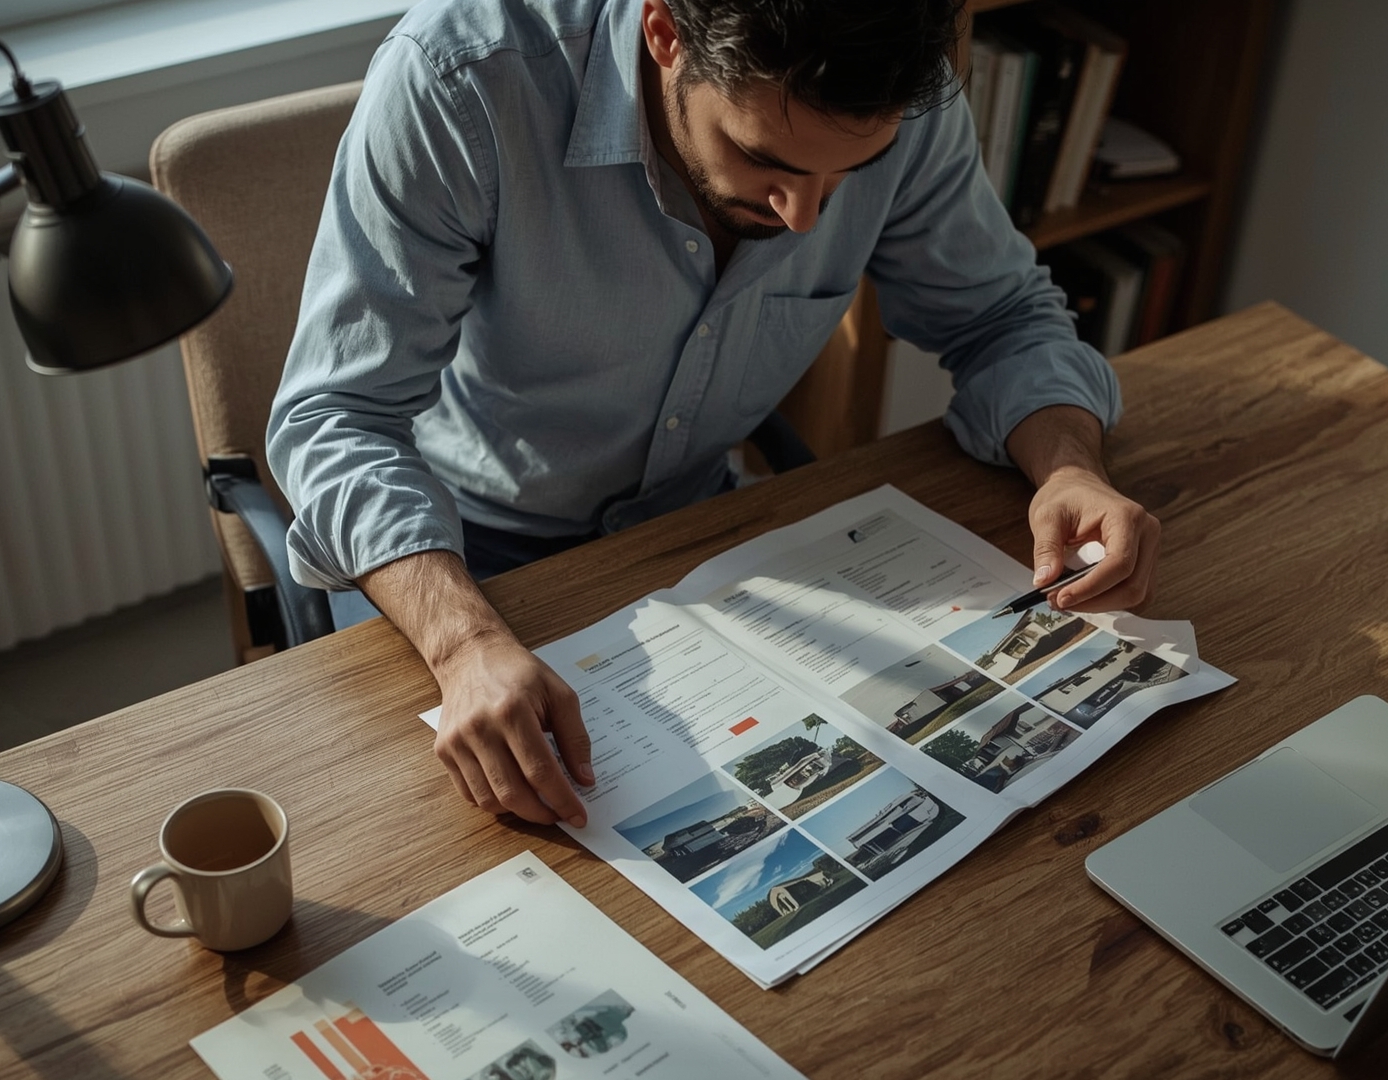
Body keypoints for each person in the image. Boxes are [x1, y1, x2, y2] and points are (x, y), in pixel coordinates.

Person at [268, 0, 1161, 829]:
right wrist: (463, 643)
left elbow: (1003, 319)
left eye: (849, 174)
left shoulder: (900, 94)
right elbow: (338, 416)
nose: (806, 216)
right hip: (460, 564)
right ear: (664, 33)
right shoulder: (463, 78)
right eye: (766, 160)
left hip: (703, 534)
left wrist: (1071, 465)